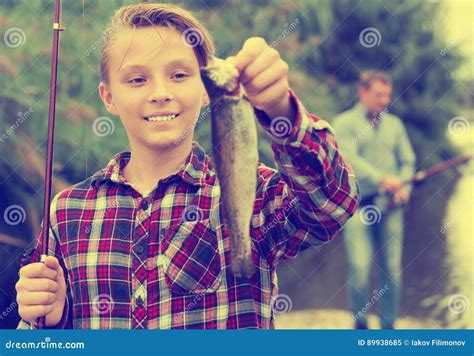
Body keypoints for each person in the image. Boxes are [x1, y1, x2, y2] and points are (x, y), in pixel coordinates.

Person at [16, 3, 359, 329]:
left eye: (179, 75)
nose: (160, 92)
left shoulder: (252, 193)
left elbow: (332, 204)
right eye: (137, 80)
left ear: (206, 89)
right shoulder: (66, 212)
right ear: (109, 97)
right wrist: (53, 320)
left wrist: (281, 110)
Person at [333, 70, 416, 329]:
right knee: (359, 267)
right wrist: (383, 179)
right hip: (357, 207)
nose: (384, 101)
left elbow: (408, 161)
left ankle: (388, 327)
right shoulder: (344, 123)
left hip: (390, 207)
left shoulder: (395, 125)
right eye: (379, 95)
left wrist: (404, 189)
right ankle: (360, 325)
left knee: (391, 269)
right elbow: (348, 158)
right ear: (363, 92)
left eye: (387, 95)